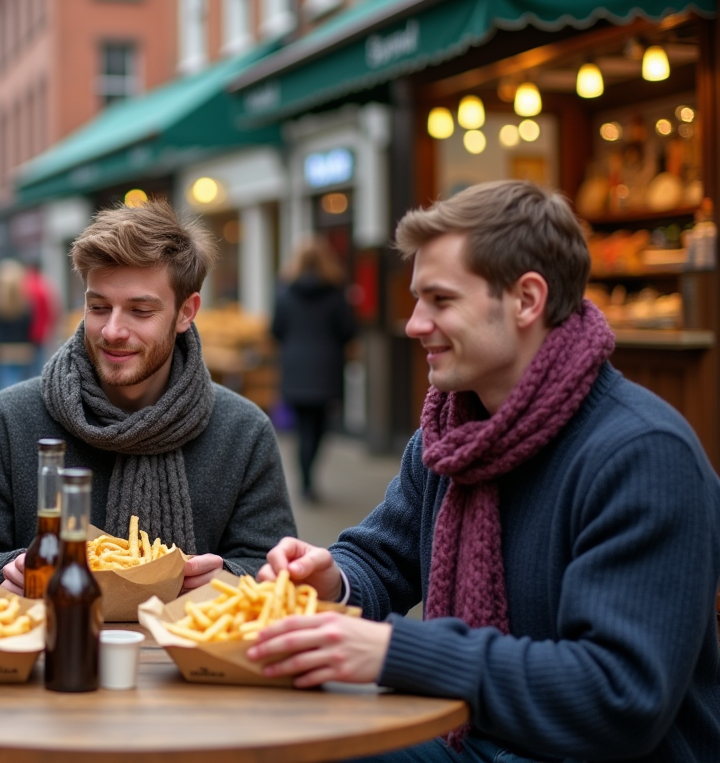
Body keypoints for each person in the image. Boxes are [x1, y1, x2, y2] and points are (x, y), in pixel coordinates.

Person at [248, 181, 720, 762]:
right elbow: (381, 559)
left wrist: (396, 650)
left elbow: (618, 696)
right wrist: (330, 578)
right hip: (475, 738)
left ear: (526, 299)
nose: (415, 324)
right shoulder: (449, 434)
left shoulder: (643, 455)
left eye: (441, 300)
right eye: (418, 299)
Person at [0, 199, 297, 592]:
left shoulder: (243, 430)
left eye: (140, 311)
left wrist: (226, 579)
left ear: (186, 312)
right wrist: (9, 570)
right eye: (98, 307)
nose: (112, 330)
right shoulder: (9, 419)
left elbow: (275, 570)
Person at [271, 235, 356, 503]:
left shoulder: (285, 292)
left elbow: (276, 329)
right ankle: (309, 478)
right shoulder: (335, 293)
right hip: (326, 368)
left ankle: (305, 479)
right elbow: (348, 330)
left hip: (295, 367)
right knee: (319, 427)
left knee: (302, 428)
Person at [0, 258, 34, 392]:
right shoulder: (25, 303)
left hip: (2, 348)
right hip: (22, 347)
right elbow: (29, 325)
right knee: (19, 384)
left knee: (4, 384)